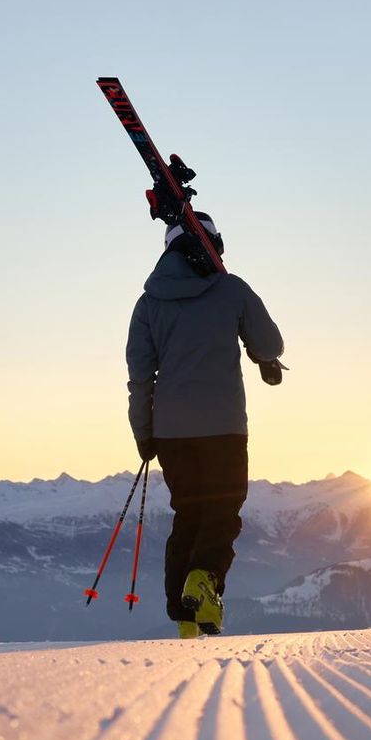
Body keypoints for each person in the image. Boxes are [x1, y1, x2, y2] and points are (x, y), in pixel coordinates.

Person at [126, 213, 284, 638]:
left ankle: (183, 614)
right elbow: (270, 344)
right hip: (224, 426)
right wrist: (261, 356)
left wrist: (143, 433)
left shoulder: (148, 304)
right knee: (222, 513)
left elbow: (141, 377)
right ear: (214, 244)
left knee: (188, 515)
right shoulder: (231, 289)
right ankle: (205, 580)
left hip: (171, 432)